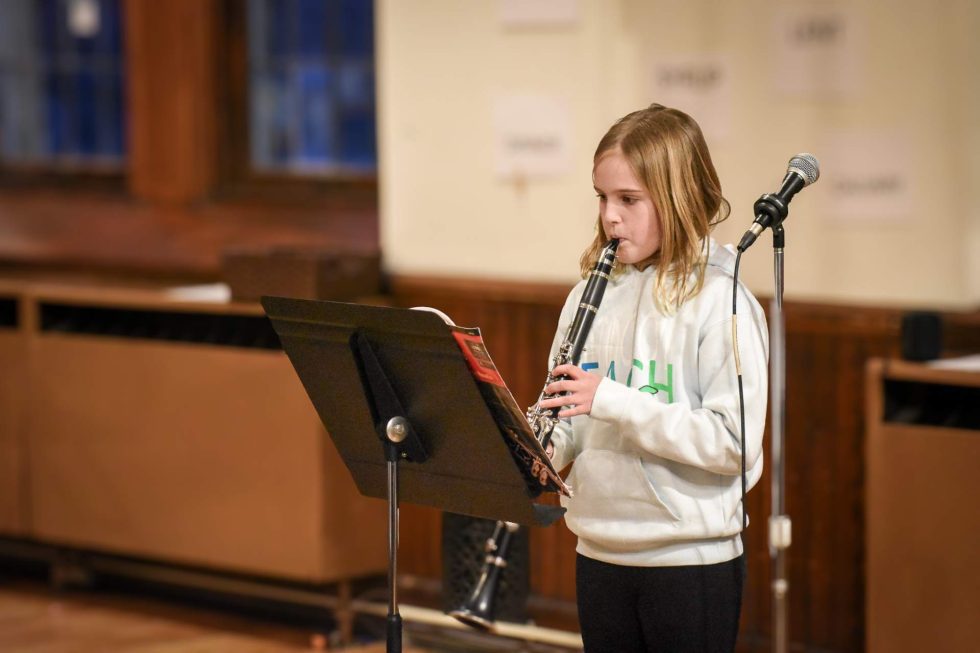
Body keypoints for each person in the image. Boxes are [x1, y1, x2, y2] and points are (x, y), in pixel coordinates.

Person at [538, 104, 769, 653]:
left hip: (689, 559)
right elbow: (573, 411)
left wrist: (612, 401)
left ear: (678, 198)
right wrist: (542, 448)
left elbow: (733, 444)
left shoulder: (723, 300)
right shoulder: (586, 297)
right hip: (600, 547)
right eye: (602, 198)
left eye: (628, 200)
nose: (609, 217)